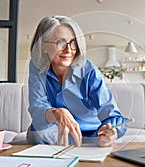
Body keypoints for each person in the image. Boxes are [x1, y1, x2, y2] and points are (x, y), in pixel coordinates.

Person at [27, 15, 128, 147]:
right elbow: (37, 109)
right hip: (58, 133)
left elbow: (112, 114)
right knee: (35, 133)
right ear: (44, 46)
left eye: (73, 42)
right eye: (61, 42)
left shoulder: (88, 70)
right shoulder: (37, 67)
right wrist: (57, 113)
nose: (69, 50)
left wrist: (112, 131)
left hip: (91, 134)